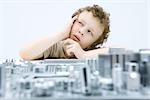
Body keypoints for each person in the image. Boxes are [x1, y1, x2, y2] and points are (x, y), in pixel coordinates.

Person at [19, 4, 110, 60]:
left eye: (89, 31)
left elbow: (122, 52)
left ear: (93, 44)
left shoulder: (91, 53)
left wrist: (84, 55)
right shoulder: (56, 46)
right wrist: (61, 34)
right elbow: (24, 53)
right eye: (80, 23)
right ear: (72, 22)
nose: (81, 31)